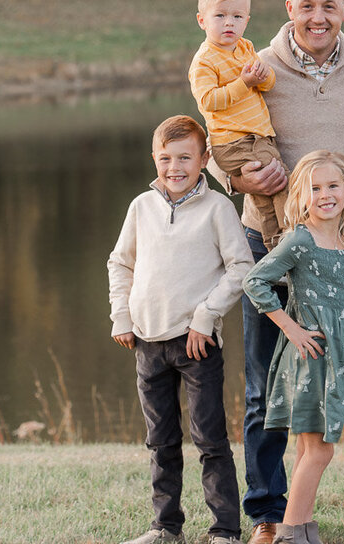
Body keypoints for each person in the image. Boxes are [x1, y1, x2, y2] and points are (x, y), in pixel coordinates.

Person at [226, 0, 344, 544]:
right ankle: (269, 516)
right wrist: (244, 179)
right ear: (288, 8)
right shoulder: (257, 68)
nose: (317, 17)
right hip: (270, 242)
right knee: (263, 387)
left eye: (329, 6)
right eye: (306, 6)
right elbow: (225, 144)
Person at [107, 115, 252, 544]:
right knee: (160, 441)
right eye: (166, 158)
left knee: (210, 440)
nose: (175, 167)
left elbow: (241, 267)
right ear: (154, 158)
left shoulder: (217, 209)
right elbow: (121, 262)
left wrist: (205, 317)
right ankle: (165, 526)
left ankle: (224, 529)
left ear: (204, 159)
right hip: (146, 341)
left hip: (197, 344)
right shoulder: (141, 207)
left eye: (186, 157)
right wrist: (121, 314)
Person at [243, 151, 344, 544]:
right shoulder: (300, 240)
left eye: (332, 185)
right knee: (320, 451)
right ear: (300, 197)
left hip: (342, 357)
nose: (324, 195)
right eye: (314, 188)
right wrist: (292, 328)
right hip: (310, 357)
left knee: (307, 450)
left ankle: (296, 528)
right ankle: (292, 533)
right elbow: (255, 282)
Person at [189, 0, 289, 246]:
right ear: (202, 21)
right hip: (235, 141)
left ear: (247, 20)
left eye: (237, 16)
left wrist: (263, 75)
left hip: (255, 137)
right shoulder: (205, 62)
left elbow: (266, 84)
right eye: (219, 16)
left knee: (264, 200)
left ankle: (275, 247)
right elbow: (208, 101)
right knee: (282, 182)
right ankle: (294, 241)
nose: (229, 23)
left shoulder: (245, 48)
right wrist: (244, 83)